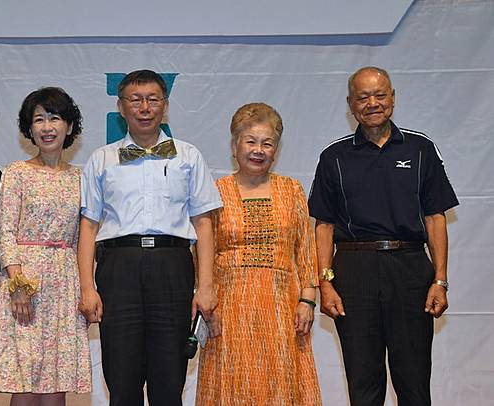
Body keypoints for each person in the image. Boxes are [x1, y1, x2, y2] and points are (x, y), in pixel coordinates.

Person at [308, 66, 459, 406]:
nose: (372, 103)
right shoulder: (334, 157)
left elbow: (435, 218)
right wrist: (325, 284)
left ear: (393, 97)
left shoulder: (421, 149)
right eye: (363, 97)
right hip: (353, 272)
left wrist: (440, 280)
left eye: (380, 95)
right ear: (351, 104)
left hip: (410, 269)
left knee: (414, 382)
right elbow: (324, 225)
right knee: (364, 383)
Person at [77, 69, 222, 406]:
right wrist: (87, 287)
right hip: (118, 269)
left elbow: (203, 224)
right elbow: (88, 226)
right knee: (121, 378)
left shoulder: (188, 156)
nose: (144, 108)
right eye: (136, 100)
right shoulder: (101, 159)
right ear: (121, 107)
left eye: (153, 100)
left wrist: (206, 286)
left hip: (172, 267)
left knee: (169, 378)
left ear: (165, 106)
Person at [196, 102, 322, 405]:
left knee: (280, 384)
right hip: (228, 309)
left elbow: (305, 249)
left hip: (283, 308)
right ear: (234, 145)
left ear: (276, 149)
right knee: (232, 385)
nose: (258, 150)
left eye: (267, 143)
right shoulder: (215, 192)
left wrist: (307, 300)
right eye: (250, 141)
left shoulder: (291, 190)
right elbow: (202, 253)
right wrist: (206, 301)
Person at [0, 87, 91, 405]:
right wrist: (18, 285)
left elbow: (84, 238)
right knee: (26, 382)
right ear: (29, 129)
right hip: (25, 283)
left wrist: (86, 288)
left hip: (65, 283)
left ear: (69, 126)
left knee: (57, 383)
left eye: (55, 118)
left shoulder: (81, 178)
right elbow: (5, 231)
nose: (47, 127)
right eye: (39, 119)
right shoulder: (16, 173)